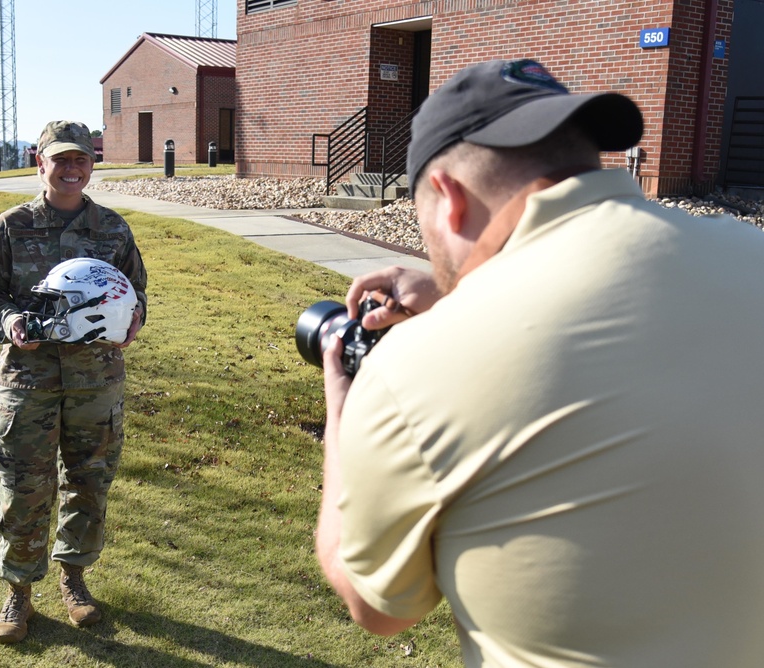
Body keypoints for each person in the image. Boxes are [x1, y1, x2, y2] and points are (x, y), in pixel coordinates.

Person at [315, 59, 764, 666]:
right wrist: (452, 300)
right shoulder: (749, 252)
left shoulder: (413, 370)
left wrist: (342, 413)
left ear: (446, 198)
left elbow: (377, 604)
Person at [0, 120, 147, 644]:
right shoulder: (9, 227)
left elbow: (135, 291)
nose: (72, 169)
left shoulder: (113, 229)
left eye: (81, 160)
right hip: (29, 378)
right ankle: (20, 591)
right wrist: (8, 320)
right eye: (61, 159)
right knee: (26, 484)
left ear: (92, 165)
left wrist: (135, 318)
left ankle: (74, 579)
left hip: (97, 379)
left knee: (89, 480)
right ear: (39, 161)